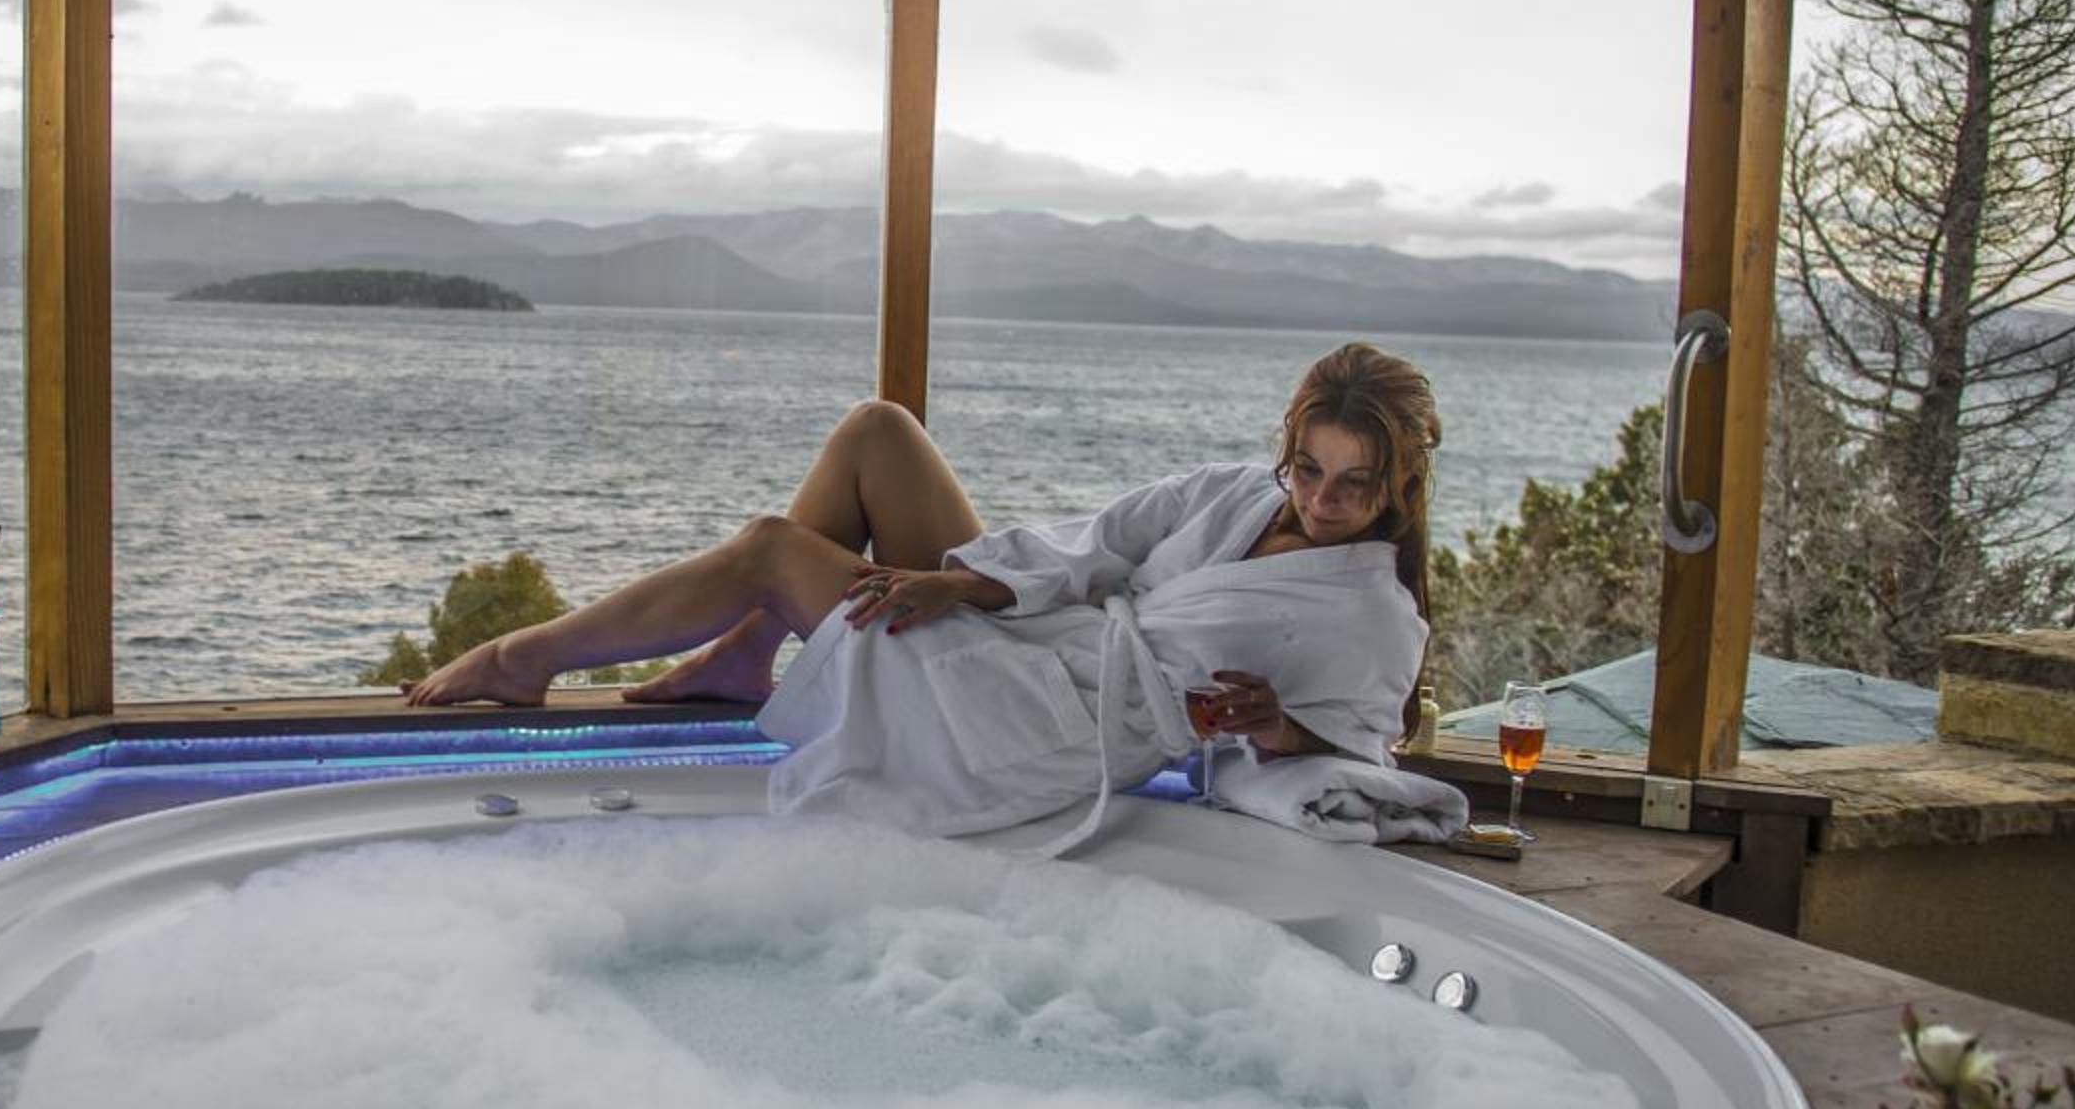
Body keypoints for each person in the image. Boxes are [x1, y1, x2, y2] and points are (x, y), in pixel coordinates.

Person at [406, 342, 1440, 841]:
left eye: (1354, 484)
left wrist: (1277, 727)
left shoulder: (1373, 613)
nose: (1321, 499)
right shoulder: (1237, 492)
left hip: (1050, 726)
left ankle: (522, 657)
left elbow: (1361, 755)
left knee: (773, 550)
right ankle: (745, 651)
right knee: (879, 431)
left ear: (1399, 482)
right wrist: (964, 583)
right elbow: (1094, 544)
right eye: (1309, 467)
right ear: (1289, 446)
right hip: (1045, 638)